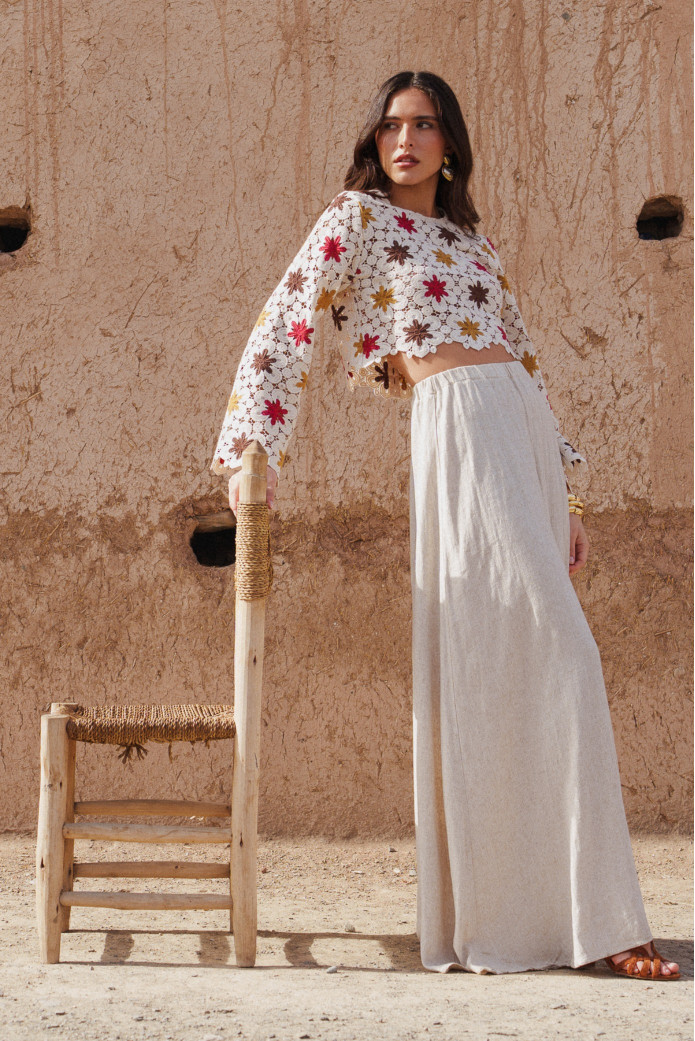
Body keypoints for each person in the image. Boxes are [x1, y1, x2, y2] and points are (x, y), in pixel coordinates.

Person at [210, 71, 679, 981]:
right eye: (391, 125)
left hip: (518, 428)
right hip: (456, 428)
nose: (405, 140)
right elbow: (282, 323)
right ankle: (586, 922)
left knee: (530, 665)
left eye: (424, 125)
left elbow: (526, 359)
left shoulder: (472, 240)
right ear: (374, 140)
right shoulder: (354, 219)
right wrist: (249, 451)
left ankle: (580, 921)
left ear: (450, 143)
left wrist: (568, 492)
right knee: (550, 659)